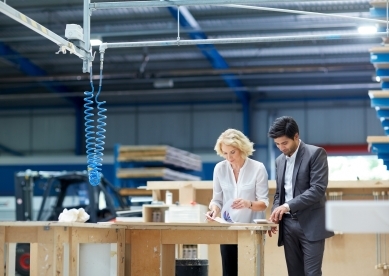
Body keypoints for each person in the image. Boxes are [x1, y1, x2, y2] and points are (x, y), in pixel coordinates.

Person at [267, 116, 334, 276]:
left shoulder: (316, 154)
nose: (281, 147)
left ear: (296, 136)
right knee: (294, 273)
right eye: (277, 144)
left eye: (285, 143)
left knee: (311, 273)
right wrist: (276, 211)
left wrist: (287, 206)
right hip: (288, 225)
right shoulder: (279, 161)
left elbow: (317, 189)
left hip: (311, 223)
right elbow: (279, 194)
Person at [206, 128, 269, 276]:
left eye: (232, 152)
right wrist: (214, 210)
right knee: (229, 272)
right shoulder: (219, 169)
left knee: (251, 272)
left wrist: (248, 203)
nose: (229, 157)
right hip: (228, 229)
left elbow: (264, 203)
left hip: (252, 230)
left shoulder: (258, 168)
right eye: (225, 153)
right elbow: (216, 200)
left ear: (242, 148)